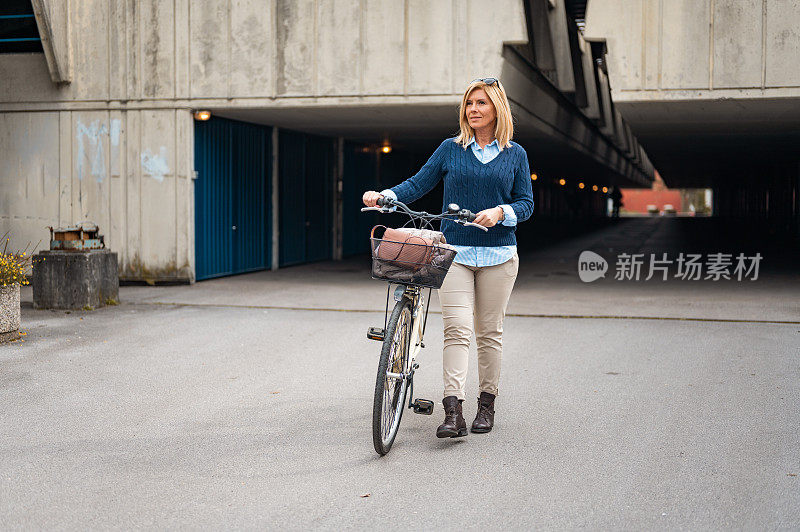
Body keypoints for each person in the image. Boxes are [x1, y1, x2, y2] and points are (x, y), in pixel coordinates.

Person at [362, 78, 534, 438]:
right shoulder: (450, 148)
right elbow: (418, 183)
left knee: (489, 333)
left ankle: (485, 406)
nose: (473, 109)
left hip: (500, 256)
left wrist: (501, 212)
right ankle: (452, 410)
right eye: (469, 103)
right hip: (453, 254)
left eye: (481, 103)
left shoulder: (515, 154)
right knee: (456, 330)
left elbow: (526, 203)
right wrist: (385, 195)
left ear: (496, 109)